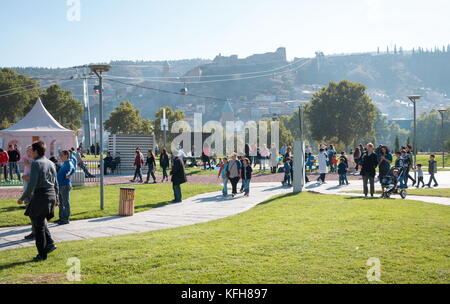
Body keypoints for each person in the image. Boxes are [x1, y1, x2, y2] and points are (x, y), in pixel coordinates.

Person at [17, 141, 58, 262]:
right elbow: (56, 183)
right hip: (50, 195)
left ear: (35, 151)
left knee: (38, 225)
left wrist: (22, 197)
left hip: (41, 196)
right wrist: (57, 198)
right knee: (40, 221)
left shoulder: (36, 164)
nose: (30, 153)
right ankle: (50, 243)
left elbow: (31, 184)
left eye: (31, 151)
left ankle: (42, 254)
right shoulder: (50, 162)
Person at [56, 150, 75, 225]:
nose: (60, 157)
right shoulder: (64, 163)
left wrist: (69, 174)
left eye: (62, 155)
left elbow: (72, 169)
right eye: (60, 155)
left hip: (65, 185)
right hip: (60, 185)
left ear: (66, 155)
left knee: (65, 203)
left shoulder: (69, 163)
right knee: (61, 203)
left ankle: (66, 219)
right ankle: (61, 218)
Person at [22, 146, 35, 240]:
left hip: (31, 181)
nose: (27, 152)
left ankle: (35, 232)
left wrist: (28, 176)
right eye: (26, 150)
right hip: (26, 179)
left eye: (29, 150)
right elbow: (27, 165)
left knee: (33, 210)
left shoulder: (35, 160)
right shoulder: (26, 158)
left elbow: (29, 167)